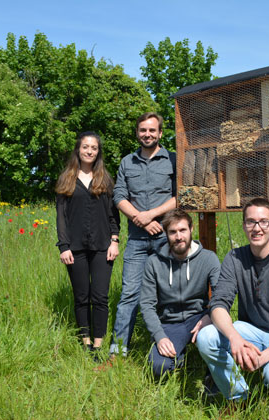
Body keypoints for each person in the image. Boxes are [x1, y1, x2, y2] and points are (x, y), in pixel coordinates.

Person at [196, 198, 269, 400]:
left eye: (263, 222)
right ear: (244, 225)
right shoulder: (235, 258)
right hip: (251, 333)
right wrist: (235, 339)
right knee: (207, 337)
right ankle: (238, 396)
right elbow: (219, 304)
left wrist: (263, 359)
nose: (257, 228)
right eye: (251, 222)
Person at [109, 112, 176, 358]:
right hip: (137, 240)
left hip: (165, 239)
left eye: (151, 130)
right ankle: (117, 352)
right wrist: (141, 219)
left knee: (166, 293)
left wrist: (152, 215)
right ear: (137, 133)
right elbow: (119, 196)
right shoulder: (128, 162)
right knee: (129, 294)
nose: (147, 134)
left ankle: (165, 348)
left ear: (159, 133)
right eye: (142, 130)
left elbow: (181, 197)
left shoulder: (172, 159)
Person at [55, 131, 120, 357]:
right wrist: (64, 246)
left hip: (103, 246)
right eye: (85, 147)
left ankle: (98, 345)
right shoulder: (66, 179)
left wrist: (115, 240)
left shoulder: (105, 179)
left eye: (93, 147)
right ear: (78, 150)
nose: (89, 151)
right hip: (75, 248)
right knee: (81, 297)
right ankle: (85, 343)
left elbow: (113, 215)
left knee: (100, 297)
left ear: (98, 152)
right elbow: (61, 216)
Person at [139, 209, 220, 376]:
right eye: (173, 232)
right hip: (170, 322)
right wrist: (159, 336)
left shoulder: (208, 258)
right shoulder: (153, 262)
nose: (178, 237)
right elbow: (147, 304)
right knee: (158, 367)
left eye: (183, 230)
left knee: (218, 340)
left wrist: (211, 315)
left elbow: (221, 295)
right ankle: (179, 357)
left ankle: (212, 376)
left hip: (200, 317)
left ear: (191, 229)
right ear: (166, 234)